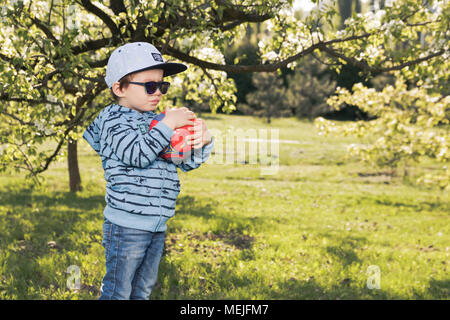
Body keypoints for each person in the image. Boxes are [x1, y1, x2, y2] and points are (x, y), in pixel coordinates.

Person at [82, 42, 214, 300]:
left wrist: (202, 141)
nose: (158, 93)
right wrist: (167, 125)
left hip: (156, 224)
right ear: (119, 88)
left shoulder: (155, 121)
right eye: (150, 86)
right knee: (118, 291)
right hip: (126, 225)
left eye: (162, 86)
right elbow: (137, 154)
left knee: (141, 291)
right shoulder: (113, 120)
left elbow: (184, 162)